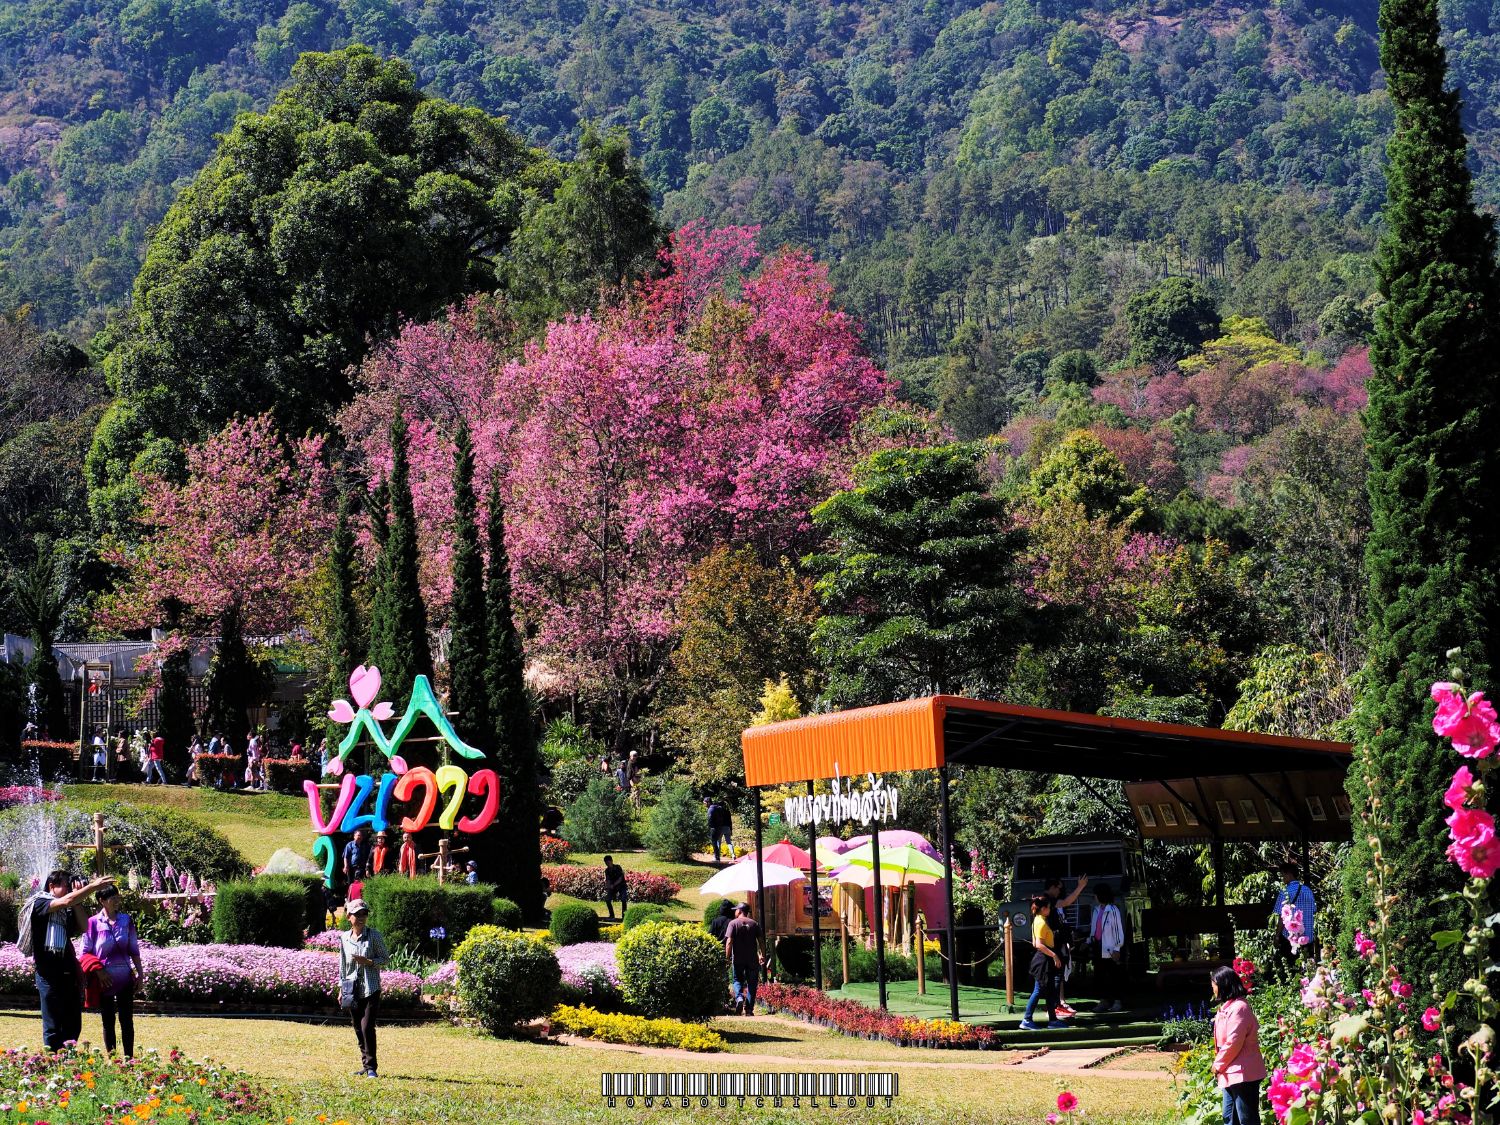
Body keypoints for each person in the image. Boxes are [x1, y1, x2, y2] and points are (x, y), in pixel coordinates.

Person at [29, 869, 113, 1049]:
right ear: (52, 886)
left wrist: (77, 902)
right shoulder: (40, 902)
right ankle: (53, 1063)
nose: (69, 890)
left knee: (73, 1022)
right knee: (53, 1023)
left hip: (68, 972)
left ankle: (69, 1061)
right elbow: (67, 900)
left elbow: (84, 927)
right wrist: (91, 887)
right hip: (48, 974)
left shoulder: (67, 909)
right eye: (66, 886)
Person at [84, 883, 143, 1058]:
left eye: (118, 897)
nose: (117, 901)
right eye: (112, 898)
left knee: (127, 1021)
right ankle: (112, 1058)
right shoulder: (93, 923)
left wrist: (140, 974)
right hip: (104, 979)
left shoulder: (126, 920)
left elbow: (134, 949)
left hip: (125, 977)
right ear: (102, 901)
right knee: (108, 1021)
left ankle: (129, 1059)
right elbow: (85, 952)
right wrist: (99, 972)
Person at [338, 899, 390, 1079]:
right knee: (357, 1028)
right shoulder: (344, 938)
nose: (361, 917)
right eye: (357, 914)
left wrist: (369, 962)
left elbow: (385, 959)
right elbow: (343, 965)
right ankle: (365, 1065)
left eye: (364, 914)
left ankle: (371, 1068)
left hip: (371, 987)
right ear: (348, 916)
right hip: (352, 988)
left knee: (367, 1026)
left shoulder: (374, 936)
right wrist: (340, 988)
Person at [1211, 964, 1266, 1124]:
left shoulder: (1239, 1008)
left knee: (1246, 1120)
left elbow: (1234, 1041)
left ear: (1223, 985)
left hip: (1243, 1074)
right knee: (1229, 1118)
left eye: (1214, 984)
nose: (1213, 988)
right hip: (1230, 1072)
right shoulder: (1228, 1008)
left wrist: (1218, 1064)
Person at [1019, 895, 1072, 1031]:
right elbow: (1038, 944)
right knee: (1038, 990)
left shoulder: (1039, 919)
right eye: (1048, 907)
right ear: (1043, 909)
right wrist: (1054, 955)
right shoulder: (1041, 922)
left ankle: (1053, 1020)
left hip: (1045, 958)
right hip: (1043, 960)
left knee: (1050, 991)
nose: (1050, 909)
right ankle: (1027, 1019)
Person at [1043, 873, 1088, 1017]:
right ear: (1051, 887)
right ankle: (1055, 1005)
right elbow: (1067, 902)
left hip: (1058, 941)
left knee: (1058, 974)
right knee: (1053, 976)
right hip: (1051, 943)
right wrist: (1080, 887)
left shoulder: (1050, 900)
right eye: (1057, 888)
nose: (1059, 892)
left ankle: (1057, 1004)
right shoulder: (1046, 900)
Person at [724, 903, 767, 1015]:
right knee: (752, 983)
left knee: (737, 980)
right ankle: (748, 1010)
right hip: (752, 959)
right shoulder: (754, 924)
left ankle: (739, 999)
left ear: (739, 911)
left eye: (735, 910)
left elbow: (729, 942)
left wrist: (727, 958)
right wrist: (762, 955)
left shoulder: (733, 923)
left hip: (738, 959)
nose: (735, 912)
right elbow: (761, 941)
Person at [1090, 883, 1125, 1013]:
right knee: (1099, 976)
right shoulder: (1097, 909)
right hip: (1098, 947)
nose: (1094, 897)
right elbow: (1094, 928)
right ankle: (1103, 1001)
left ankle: (1117, 1001)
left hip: (1110, 948)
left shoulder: (1113, 910)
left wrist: (1117, 948)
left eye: (1096, 894)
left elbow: (1117, 930)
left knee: (1114, 976)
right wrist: (1089, 940)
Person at [1272, 862, 1316, 958]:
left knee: (1292, 968)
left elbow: (1281, 917)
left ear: (1289, 874)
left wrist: (1277, 936)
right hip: (1308, 938)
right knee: (1308, 967)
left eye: (1283, 874)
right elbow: (1313, 911)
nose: (1282, 878)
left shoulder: (1284, 892)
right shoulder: (1308, 890)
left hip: (1290, 938)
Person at [706, 798, 734, 865]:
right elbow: (730, 821)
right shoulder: (727, 811)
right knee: (729, 842)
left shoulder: (718, 811)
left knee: (718, 842)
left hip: (721, 827)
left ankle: (717, 857)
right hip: (727, 827)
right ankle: (733, 855)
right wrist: (731, 829)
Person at [602, 856, 628, 920]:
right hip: (613, 887)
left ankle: (624, 917)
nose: (607, 864)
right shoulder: (607, 870)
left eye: (608, 862)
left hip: (622, 886)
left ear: (611, 861)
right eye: (606, 863)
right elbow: (608, 880)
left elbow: (620, 878)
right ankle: (612, 916)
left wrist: (613, 885)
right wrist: (607, 886)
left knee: (623, 899)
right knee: (607, 899)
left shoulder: (618, 867)